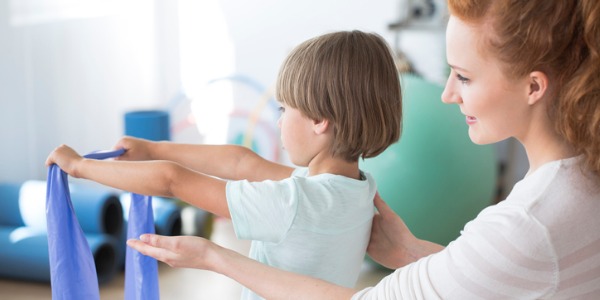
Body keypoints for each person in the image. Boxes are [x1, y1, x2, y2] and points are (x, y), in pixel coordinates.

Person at [125, 0, 600, 299]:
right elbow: (510, 281)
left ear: (534, 86)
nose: (447, 94)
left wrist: (213, 256)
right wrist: (413, 251)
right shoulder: (583, 179)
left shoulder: (529, 223)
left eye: (465, 76)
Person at [46, 30, 402, 299]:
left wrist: (80, 168)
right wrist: (154, 148)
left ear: (319, 120)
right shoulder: (356, 189)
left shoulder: (293, 202)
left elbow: (172, 181)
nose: (278, 122)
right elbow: (242, 162)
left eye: (284, 109)